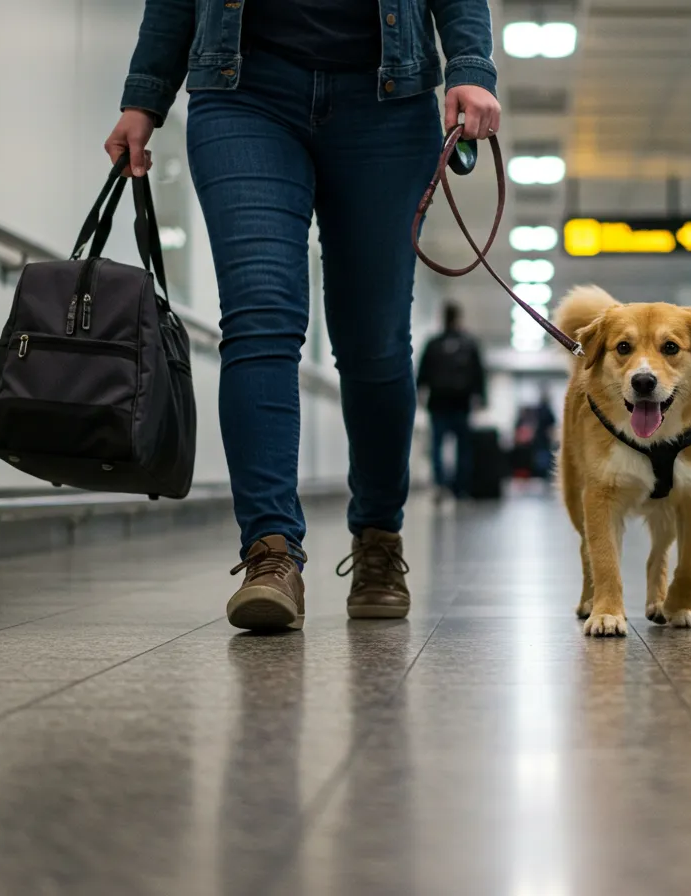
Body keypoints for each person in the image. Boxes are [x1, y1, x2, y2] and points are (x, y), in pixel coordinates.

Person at [104, 1, 502, 631]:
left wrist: (471, 66)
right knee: (259, 317)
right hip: (243, 93)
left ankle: (378, 537)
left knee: (374, 344)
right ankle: (271, 552)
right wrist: (144, 96)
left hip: (388, 103)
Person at [416, 302, 487, 501]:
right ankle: (459, 489)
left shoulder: (434, 343)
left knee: (439, 447)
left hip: (439, 402)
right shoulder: (468, 343)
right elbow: (478, 373)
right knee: (462, 448)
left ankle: (441, 485)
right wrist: (481, 397)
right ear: (458, 318)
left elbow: (422, 372)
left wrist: (419, 392)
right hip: (459, 403)